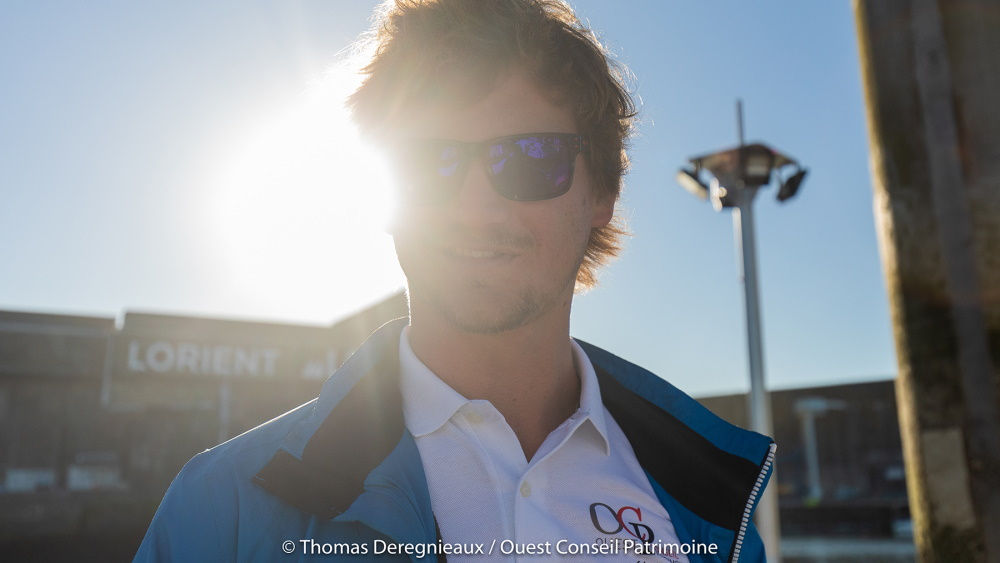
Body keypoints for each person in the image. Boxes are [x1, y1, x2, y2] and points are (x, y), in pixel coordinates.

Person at [135, 0, 776, 561]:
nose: (475, 208)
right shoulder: (222, 508)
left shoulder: (711, 500)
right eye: (427, 163)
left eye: (532, 159)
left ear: (603, 194)